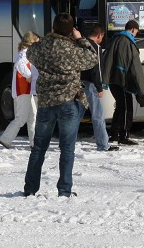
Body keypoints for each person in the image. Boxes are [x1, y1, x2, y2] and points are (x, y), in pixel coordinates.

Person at [23, 13, 97, 197]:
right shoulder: (73, 48)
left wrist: (48, 38)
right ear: (72, 29)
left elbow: (30, 54)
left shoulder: (41, 47)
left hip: (46, 102)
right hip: (68, 102)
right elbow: (92, 59)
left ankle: (30, 189)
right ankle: (64, 190)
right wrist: (81, 40)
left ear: (54, 27)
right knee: (67, 148)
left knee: (39, 148)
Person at [101, 19, 144, 145]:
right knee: (127, 108)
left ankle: (115, 135)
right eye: (136, 32)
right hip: (122, 80)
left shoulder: (115, 39)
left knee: (120, 107)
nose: (135, 35)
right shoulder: (128, 42)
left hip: (112, 79)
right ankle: (123, 135)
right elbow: (135, 68)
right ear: (133, 30)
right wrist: (142, 86)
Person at [74, 22, 117, 152]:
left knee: (77, 115)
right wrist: (99, 87)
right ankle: (103, 144)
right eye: (102, 37)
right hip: (91, 84)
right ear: (99, 35)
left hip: (79, 83)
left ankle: (68, 140)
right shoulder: (95, 48)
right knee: (97, 115)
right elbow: (96, 69)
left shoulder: (80, 45)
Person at [0, 31, 40, 149]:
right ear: (31, 40)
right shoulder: (24, 53)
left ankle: (34, 142)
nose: (39, 42)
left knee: (33, 116)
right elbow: (20, 64)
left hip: (28, 90)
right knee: (21, 118)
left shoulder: (27, 52)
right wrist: (28, 76)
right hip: (23, 90)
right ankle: (5, 139)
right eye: (37, 40)